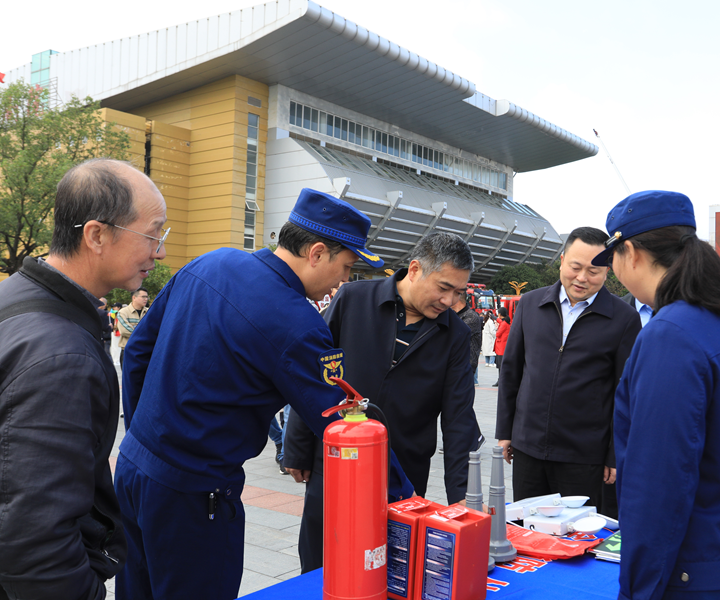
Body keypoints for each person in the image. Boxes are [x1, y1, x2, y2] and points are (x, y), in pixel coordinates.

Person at [115, 188, 414, 600]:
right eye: (346, 267)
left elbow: (137, 352)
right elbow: (345, 420)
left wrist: (139, 434)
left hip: (133, 471)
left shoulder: (212, 261)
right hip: (194, 494)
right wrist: (405, 496)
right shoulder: (298, 325)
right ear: (317, 252)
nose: (344, 280)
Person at [595, 190, 720, 599]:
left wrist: (638, 589)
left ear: (631, 252)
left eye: (613, 261)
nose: (614, 274)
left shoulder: (669, 335)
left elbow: (657, 484)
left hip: (697, 576)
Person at [0, 158, 169, 599]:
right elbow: (36, 536)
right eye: (153, 234)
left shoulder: (15, 294)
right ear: (96, 235)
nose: (160, 251)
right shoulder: (60, 355)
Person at [282, 231, 482, 573]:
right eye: (444, 287)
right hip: (334, 461)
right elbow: (314, 376)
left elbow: (459, 417)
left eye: (458, 292)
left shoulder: (456, 336)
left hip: (403, 474)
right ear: (415, 269)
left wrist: (460, 496)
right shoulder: (353, 299)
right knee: (320, 564)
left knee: (387, 570)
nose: (449, 301)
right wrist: (298, 449)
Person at [495, 227, 640, 517]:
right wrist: (505, 432)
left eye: (594, 270)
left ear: (607, 271)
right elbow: (512, 371)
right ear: (562, 261)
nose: (582, 278)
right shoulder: (530, 304)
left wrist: (614, 453)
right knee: (527, 528)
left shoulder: (623, 319)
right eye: (575, 267)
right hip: (527, 448)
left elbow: (624, 392)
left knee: (578, 537)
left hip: (584, 456)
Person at [453, 290, 483, 385]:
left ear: (457, 299)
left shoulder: (471, 317)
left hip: (465, 368)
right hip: (453, 366)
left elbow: (454, 335)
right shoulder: (455, 315)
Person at [492, 307, 510, 387]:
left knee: (500, 366)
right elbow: (499, 320)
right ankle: (501, 380)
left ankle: (501, 381)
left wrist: (496, 329)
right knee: (500, 366)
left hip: (501, 348)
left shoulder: (504, 324)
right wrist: (493, 317)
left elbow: (497, 334)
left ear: (500, 314)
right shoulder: (505, 322)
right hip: (502, 347)